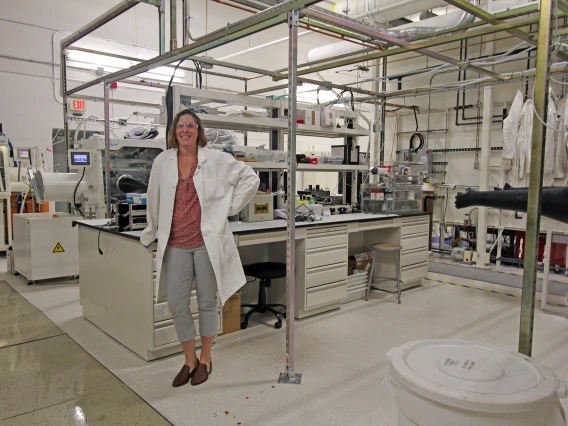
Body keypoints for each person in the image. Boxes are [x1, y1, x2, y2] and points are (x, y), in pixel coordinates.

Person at [140, 109, 259, 387]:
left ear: (198, 130)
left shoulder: (216, 159)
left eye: (190, 125)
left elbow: (250, 178)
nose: (185, 130)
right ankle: (188, 360)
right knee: (177, 303)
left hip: (207, 243)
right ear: (174, 131)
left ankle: (205, 359)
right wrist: (150, 232)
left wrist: (229, 208)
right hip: (176, 244)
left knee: (207, 302)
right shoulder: (162, 161)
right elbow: (153, 198)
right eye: (180, 125)